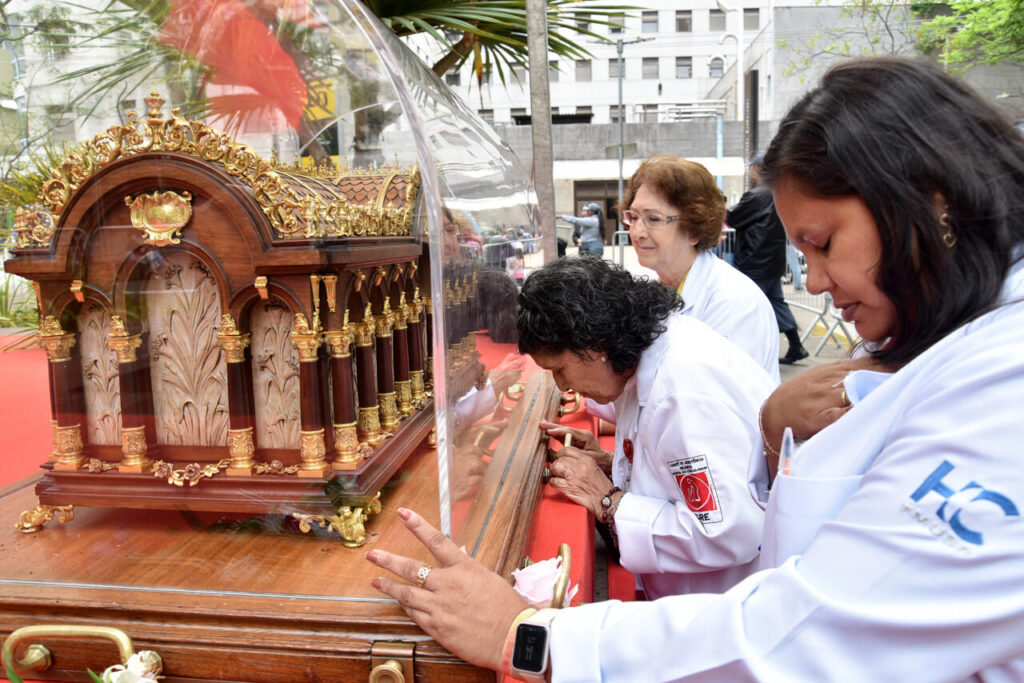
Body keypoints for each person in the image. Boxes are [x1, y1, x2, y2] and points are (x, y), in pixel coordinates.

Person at [367, 57, 1024, 681]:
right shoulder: (956, 341)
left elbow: (805, 634)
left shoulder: (1002, 383)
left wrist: (534, 633)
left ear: (930, 200)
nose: (816, 283)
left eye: (822, 244)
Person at [514, 255, 774, 600]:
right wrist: (619, 464)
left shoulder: (683, 393)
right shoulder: (654, 351)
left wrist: (606, 499)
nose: (562, 387)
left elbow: (727, 532)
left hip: (722, 603)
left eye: (560, 368)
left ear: (593, 344)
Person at [623, 156, 780, 382]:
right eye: (634, 217)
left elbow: (715, 400)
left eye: (653, 219)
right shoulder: (660, 286)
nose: (637, 232)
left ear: (694, 230)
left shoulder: (734, 303)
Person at [727, 151, 810, 364]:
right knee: (776, 303)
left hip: (755, 260)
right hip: (774, 261)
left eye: (751, 168)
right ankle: (796, 345)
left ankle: (752, 354)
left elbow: (733, 218)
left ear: (757, 169)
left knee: (748, 309)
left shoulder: (757, 196)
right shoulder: (779, 193)